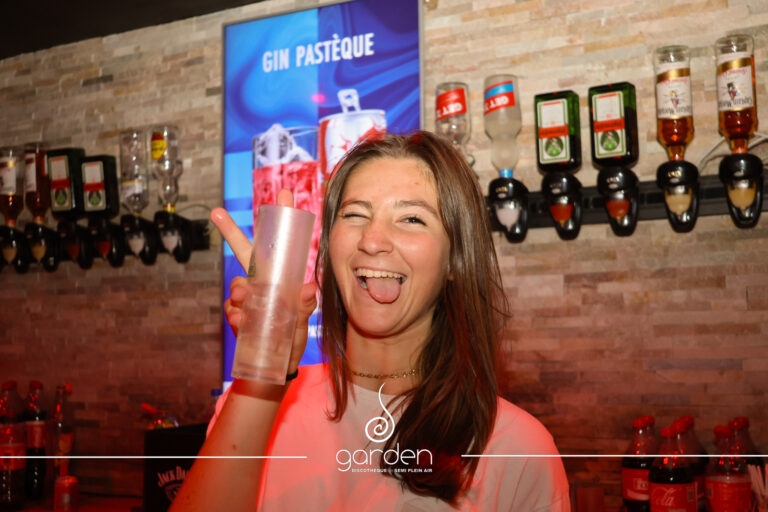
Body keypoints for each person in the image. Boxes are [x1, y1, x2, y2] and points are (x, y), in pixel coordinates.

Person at [172, 131, 570, 511]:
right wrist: (263, 370)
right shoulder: (257, 406)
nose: (372, 240)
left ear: (455, 260)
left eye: (411, 219)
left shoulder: (517, 450)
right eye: (355, 214)